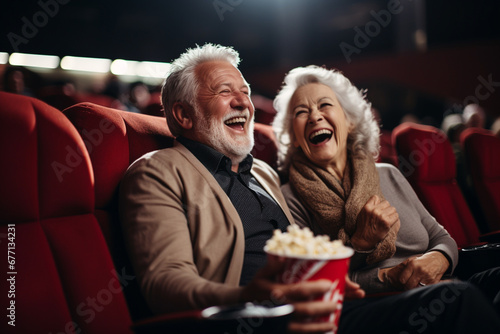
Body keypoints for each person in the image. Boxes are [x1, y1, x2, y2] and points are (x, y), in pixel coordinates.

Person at [120, 46, 500, 333]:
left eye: (246, 90)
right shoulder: (157, 173)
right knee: (457, 300)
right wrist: (253, 296)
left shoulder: (263, 174)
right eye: (224, 91)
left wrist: (337, 282)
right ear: (182, 115)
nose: (244, 102)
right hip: (263, 320)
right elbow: (165, 284)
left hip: (323, 310)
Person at [272, 65, 500, 314]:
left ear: (349, 121)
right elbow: (315, 280)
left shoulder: (388, 173)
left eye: (324, 105)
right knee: (461, 297)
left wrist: (440, 258)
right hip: (381, 304)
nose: (315, 116)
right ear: (293, 136)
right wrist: (362, 247)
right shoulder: (289, 197)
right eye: (301, 112)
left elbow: (441, 237)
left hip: (444, 282)